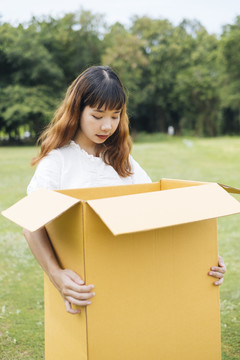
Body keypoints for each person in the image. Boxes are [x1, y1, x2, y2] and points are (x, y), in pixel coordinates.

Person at [23, 65, 226, 315]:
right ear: (77, 111)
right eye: (97, 116)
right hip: (86, 290)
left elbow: (161, 212)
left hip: (130, 284)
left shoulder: (123, 162)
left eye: (115, 115)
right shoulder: (58, 161)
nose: (107, 126)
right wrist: (56, 275)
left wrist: (202, 256)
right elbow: (31, 225)